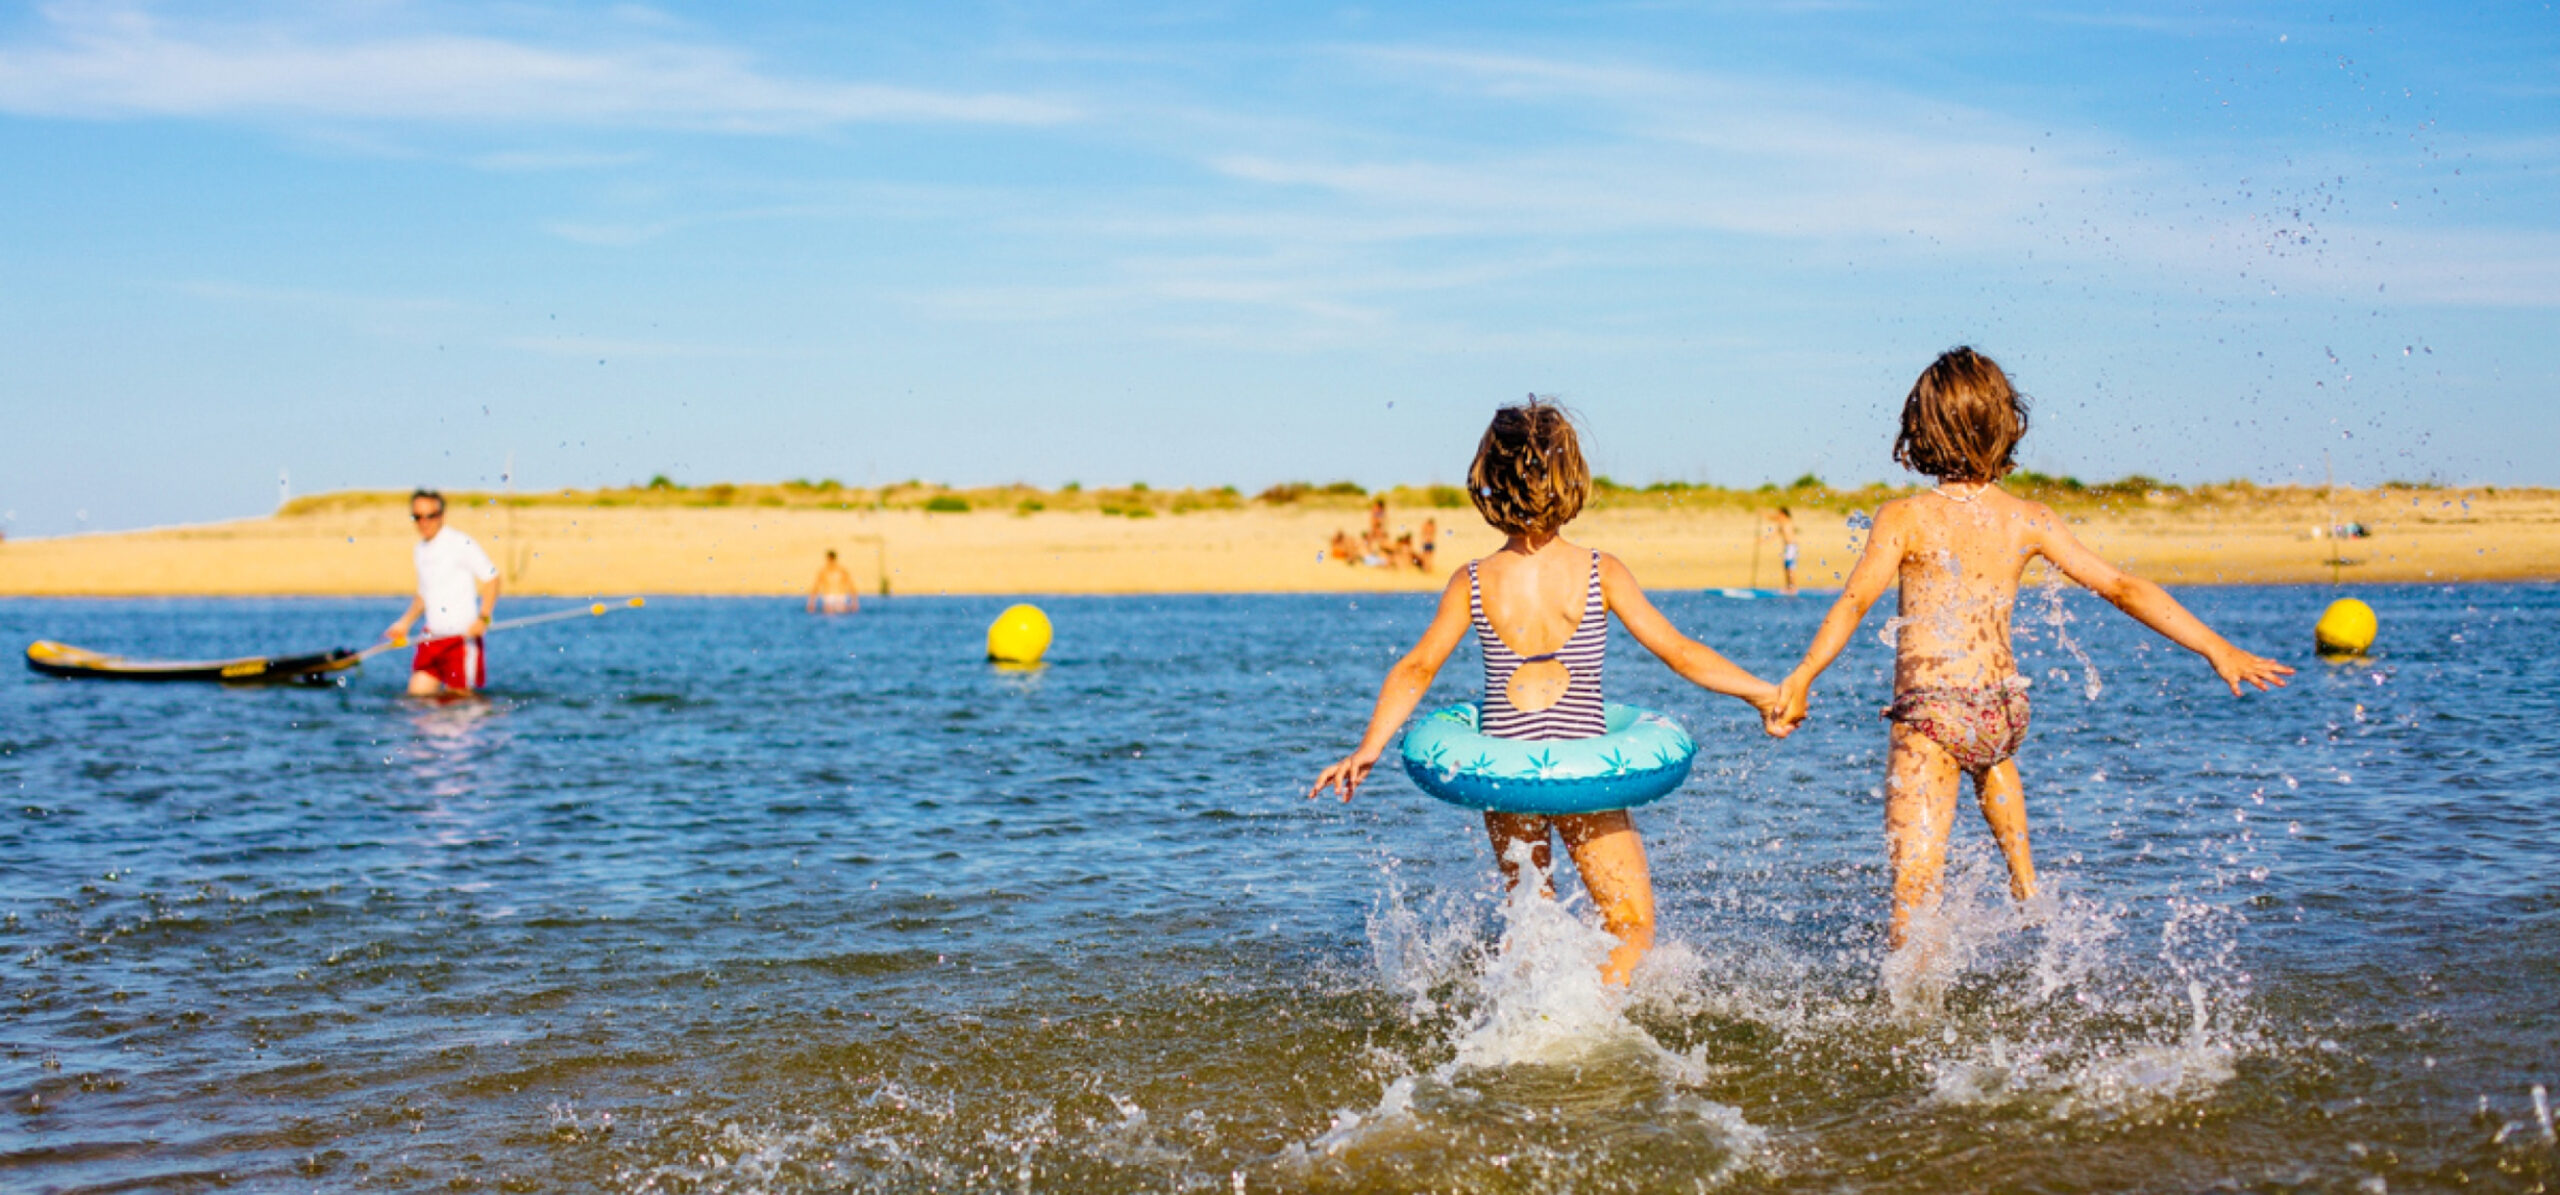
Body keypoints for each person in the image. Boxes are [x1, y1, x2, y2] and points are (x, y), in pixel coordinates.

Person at [1769, 348, 2292, 951]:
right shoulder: (2028, 518)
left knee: (1913, 896)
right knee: (1992, 758)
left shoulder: (1904, 517)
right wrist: (2216, 648)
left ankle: (1909, 1024)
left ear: (1919, 428)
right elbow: (2122, 587)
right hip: (2001, 711)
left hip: (1931, 714)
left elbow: (1854, 603)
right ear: (2004, 425)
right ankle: (2025, 885)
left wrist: (1805, 674)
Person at [1312, 398, 1785, 985]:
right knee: (1631, 924)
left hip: (1508, 771)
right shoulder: (1598, 571)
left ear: (1490, 483)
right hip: (1585, 774)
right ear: (1572, 478)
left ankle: (1528, 1021)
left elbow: (1417, 666)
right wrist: (1761, 693)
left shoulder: (1474, 580)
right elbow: (1678, 650)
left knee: (1531, 922)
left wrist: (1368, 748)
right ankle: (1591, 1019)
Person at [385, 488, 500, 697]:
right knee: (416, 696)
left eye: (430, 516)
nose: (424, 522)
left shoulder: (459, 543)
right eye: (417, 517)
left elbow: (492, 578)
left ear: (441, 516)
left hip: (460, 637)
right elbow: (424, 595)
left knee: (460, 699)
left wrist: (483, 618)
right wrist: (404, 623)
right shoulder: (420, 549)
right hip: (431, 637)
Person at [808, 549, 860, 614]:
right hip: (832, 597)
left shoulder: (840, 571)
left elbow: (851, 585)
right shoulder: (826, 571)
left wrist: (855, 602)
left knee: (833, 612)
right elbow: (816, 587)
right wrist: (811, 603)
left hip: (837, 597)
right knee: (832, 611)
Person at [1769, 506, 1800, 594]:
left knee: (1790, 567)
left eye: (1779, 513)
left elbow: (1774, 518)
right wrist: (1762, 541)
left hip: (1792, 547)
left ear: (1783, 514)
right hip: (1788, 547)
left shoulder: (1786, 521)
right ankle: (1789, 586)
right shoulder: (1782, 524)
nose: (1778, 515)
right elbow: (1773, 535)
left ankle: (1793, 587)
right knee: (1786, 567)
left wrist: (1763, 514)